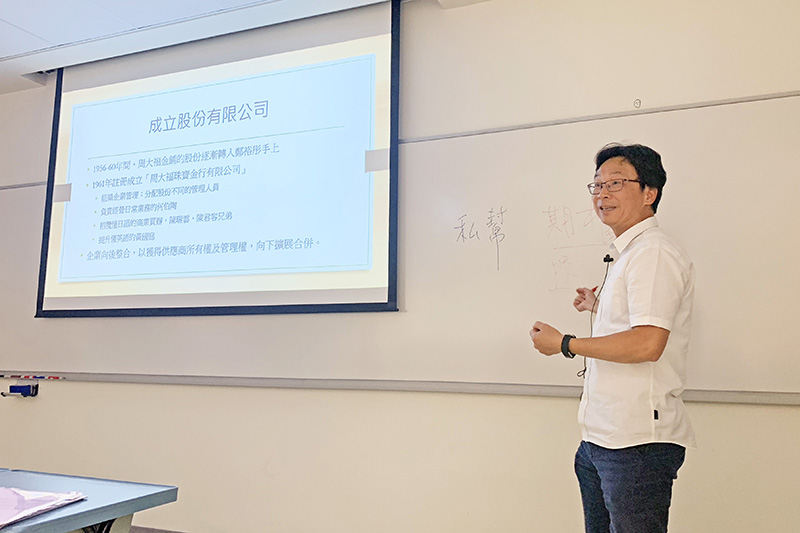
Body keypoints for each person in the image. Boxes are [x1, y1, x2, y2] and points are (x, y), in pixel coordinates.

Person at [529, 143, 695, 533]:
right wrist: (600, 306)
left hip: (635, 443)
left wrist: (565, 344)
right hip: (602, 438)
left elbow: (647, 343)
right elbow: (637, 323)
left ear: (649, 192)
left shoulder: (653, 253)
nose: (603, 194)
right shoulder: (630, 253)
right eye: (597, 185)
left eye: (616, 183)